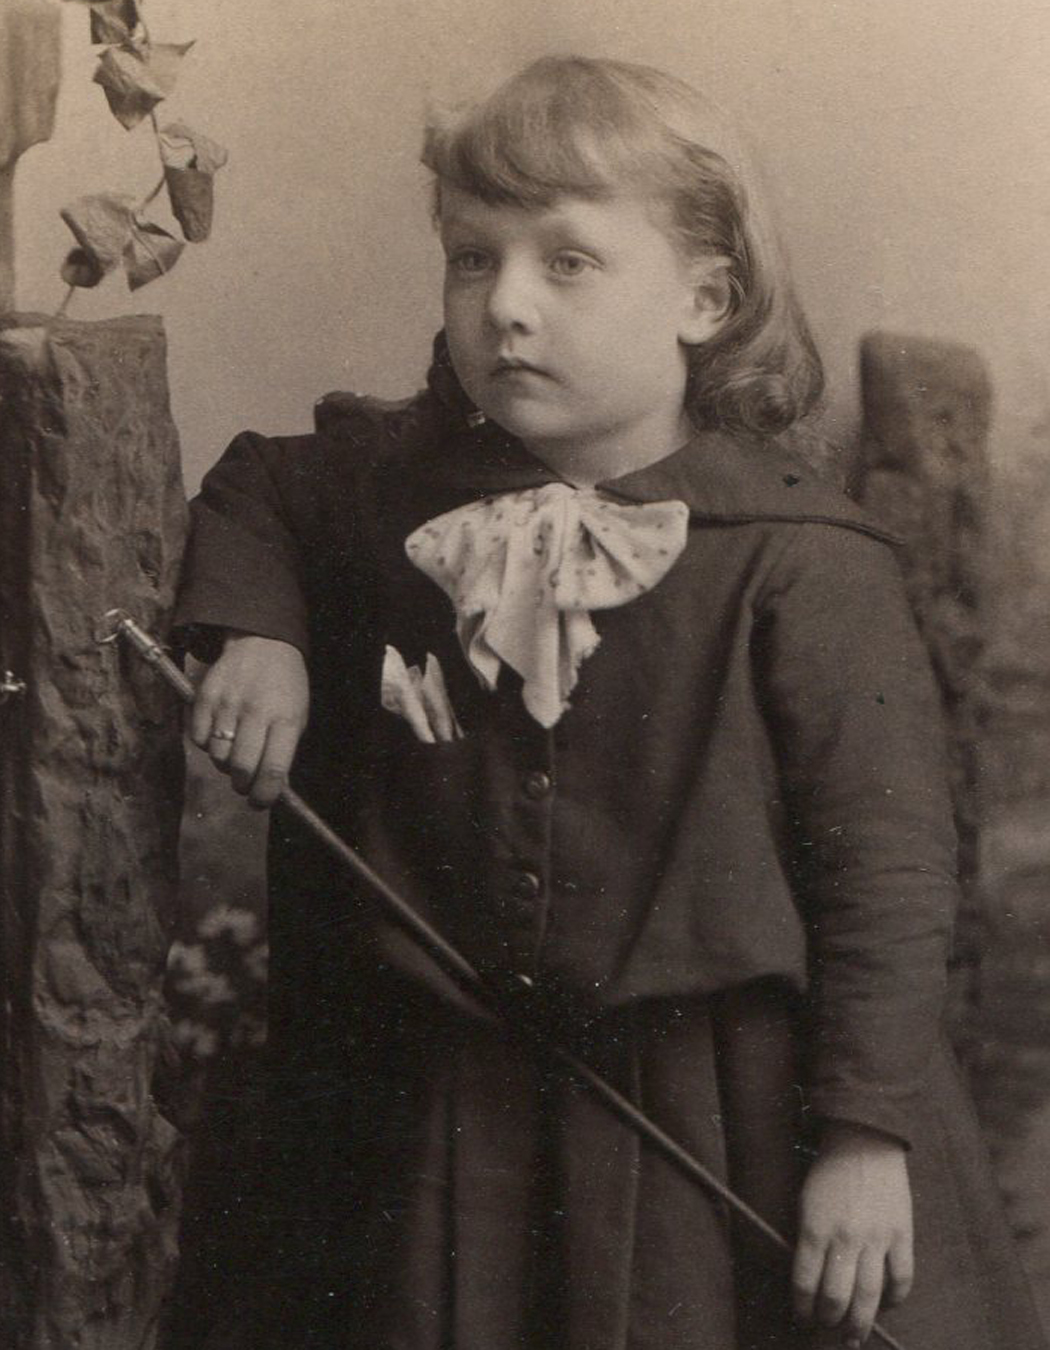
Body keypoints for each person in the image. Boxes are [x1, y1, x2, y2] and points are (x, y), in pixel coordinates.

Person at [172, 55, 1046, 1350]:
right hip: (467, 1126)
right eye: (473, 259)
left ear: (705, 298)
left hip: (730, 1118)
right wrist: (260, 635)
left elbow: (887, 877)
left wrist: (865, 1139)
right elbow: (263, 486)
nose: (505, 305)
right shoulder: (405, 491)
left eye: (567, 262)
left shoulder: (802, 561)